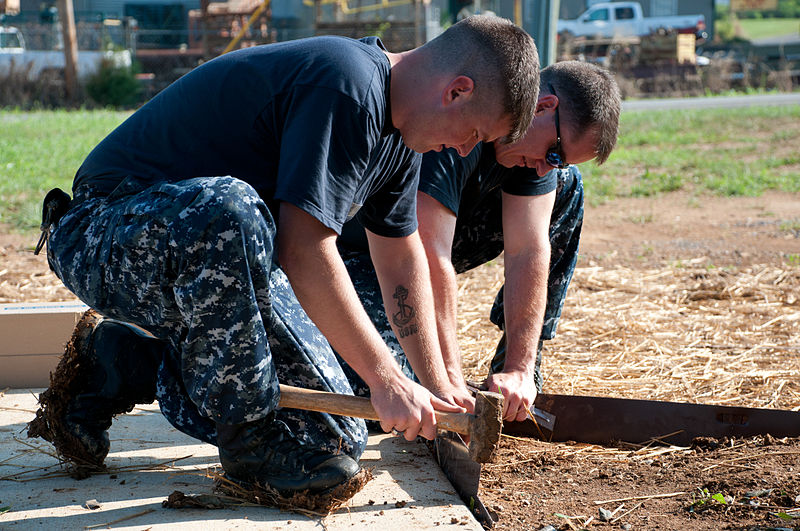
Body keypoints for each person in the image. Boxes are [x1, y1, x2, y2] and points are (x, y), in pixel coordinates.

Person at [27, 15, 540, 495]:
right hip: (104, 231)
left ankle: (121, 366)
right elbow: (303, 249)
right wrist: (387, 380)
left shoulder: (402, 139)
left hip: (206, 259)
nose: (467, 151)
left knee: (331, 442)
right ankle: (248, 440)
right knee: (233, 209)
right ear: (457, 91)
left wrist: (437, 385)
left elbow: (402, 262)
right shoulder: (347, 85)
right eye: (475, 133)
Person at [337, 60, 621, 424]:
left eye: (557, 161)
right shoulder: (458, 125)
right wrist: (449, 381)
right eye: (553, 154)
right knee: (390, 390)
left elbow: (528, 249)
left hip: (439, 236)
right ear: (543, 107)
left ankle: (517, 368)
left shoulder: (528, 154)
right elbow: (426, 255)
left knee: (568, 186)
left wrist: (520, 366)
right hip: (367, 255)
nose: (545, 168)